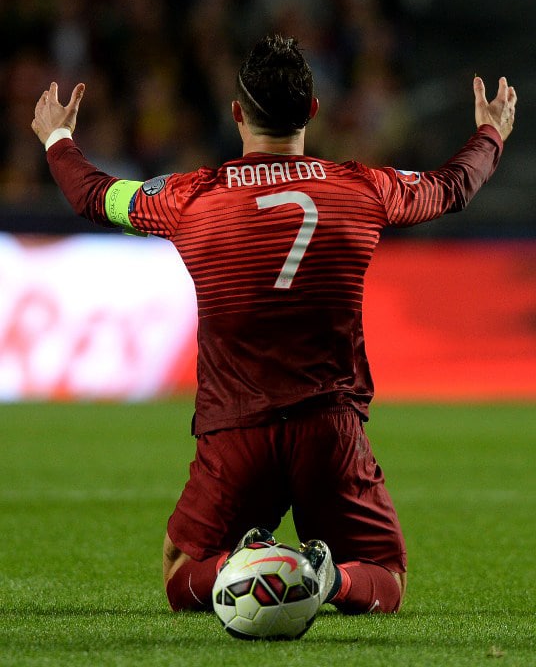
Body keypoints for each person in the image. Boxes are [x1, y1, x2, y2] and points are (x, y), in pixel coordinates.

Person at [31, 35, 516, 616]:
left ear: (237, 112)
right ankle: (322, 578)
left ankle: (255, 566)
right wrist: (490, 134)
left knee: (181, 573)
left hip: (236, 433)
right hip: (329, 432)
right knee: (385, 578)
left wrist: (57, 139)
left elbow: (95, 197)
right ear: (313, 111)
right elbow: (449, 188)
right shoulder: (362, 188)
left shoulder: (191, 198)